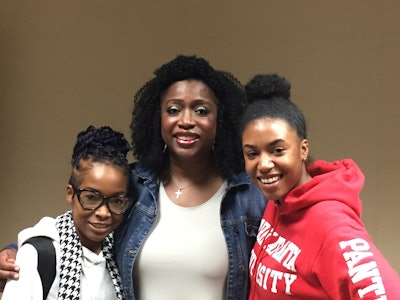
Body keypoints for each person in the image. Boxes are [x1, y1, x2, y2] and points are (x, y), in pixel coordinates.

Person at [0, 55, 268, 299]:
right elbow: (74, 224)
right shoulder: (136, 184)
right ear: (157, 119)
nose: (186, 120)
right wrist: (16, 251)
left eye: (201, 110)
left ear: (220, 119)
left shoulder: (249, 193)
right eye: (173, 110)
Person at [240, 74, 400, 299]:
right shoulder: (277, 201)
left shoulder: (330, 223)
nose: (264, 165)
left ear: (303, 149)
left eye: (277, 150)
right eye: (252, 154)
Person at [1, 125, 132, 299]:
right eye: (91, 198)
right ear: (70, 194)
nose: (103, 212)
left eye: (116, 201)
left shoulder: (122, 254)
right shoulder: (39, 254)